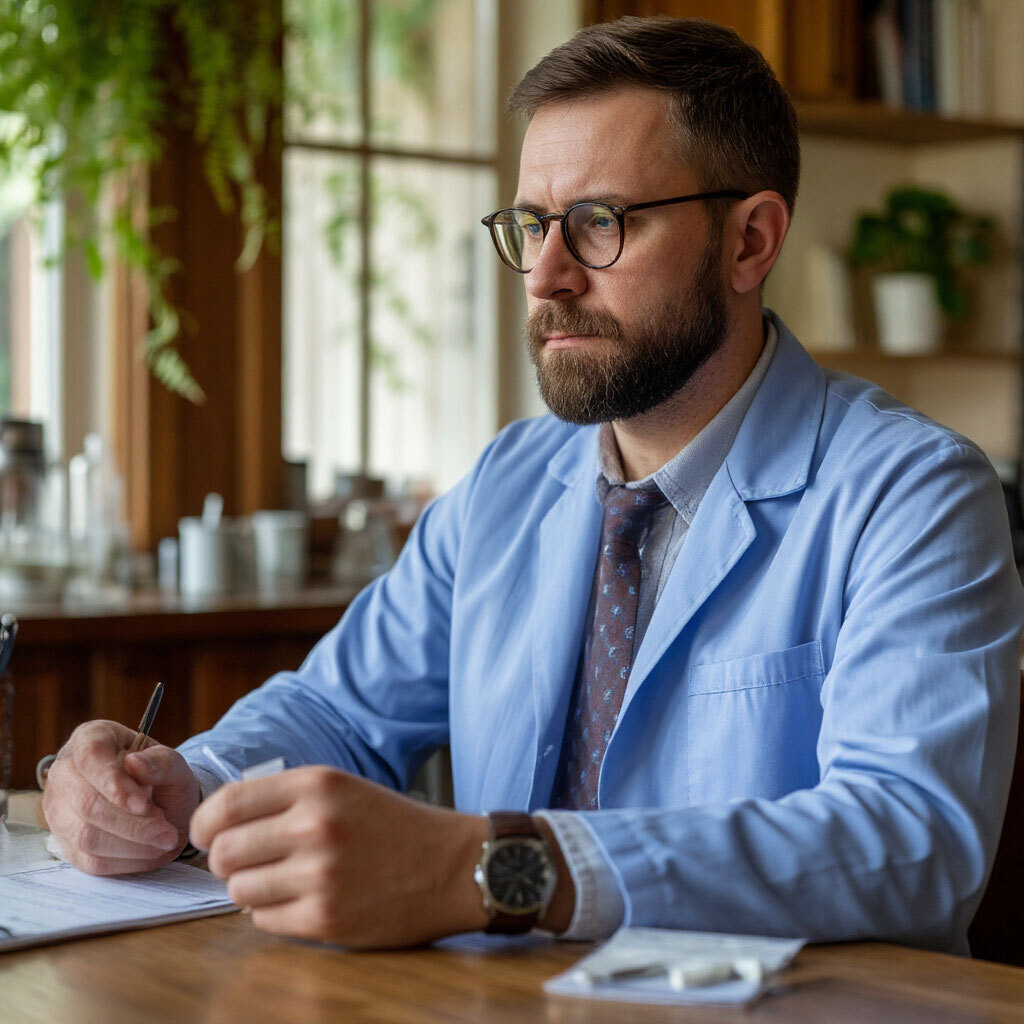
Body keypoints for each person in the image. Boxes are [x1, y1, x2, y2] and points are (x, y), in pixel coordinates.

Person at [42, 17, 1022, 955]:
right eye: (529, 224)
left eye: (600, 223)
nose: (546, 273)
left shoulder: (916, 493)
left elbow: (910, 841)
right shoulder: (506, 483)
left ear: (750, 242)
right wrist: (179, 778)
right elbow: (338, 713)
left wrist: (488, 871)